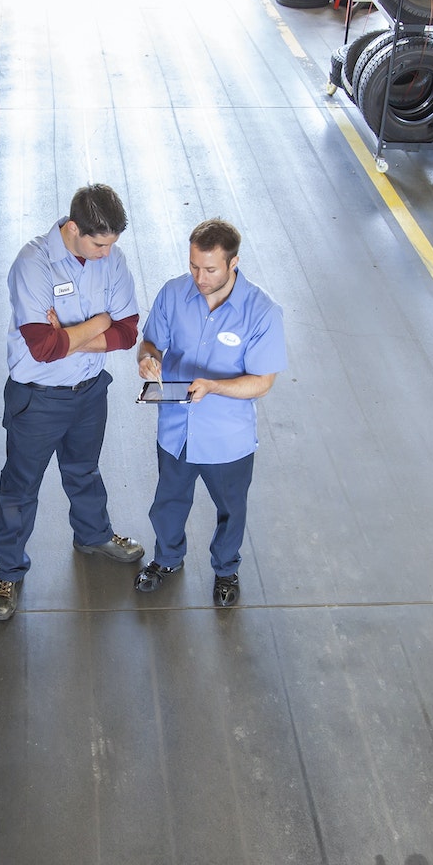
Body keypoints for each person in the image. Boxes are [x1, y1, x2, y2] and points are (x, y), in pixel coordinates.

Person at [0, 184, 146, 622]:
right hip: (37, 399)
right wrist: (99, 323)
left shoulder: (112, 259)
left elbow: (129, 330)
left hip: (89, 392)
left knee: (84, 470)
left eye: (112, 244)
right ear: (73, 228)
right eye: (99, 243)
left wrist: (72, 337)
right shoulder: (32, 264)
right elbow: (42, 346)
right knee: (20, 488)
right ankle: (9, 571)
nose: (106, 253)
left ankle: (93, 536)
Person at [134, 218, 286, 608]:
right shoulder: (173, 293)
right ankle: (167, 560)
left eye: (210, 269)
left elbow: (262, 382)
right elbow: (151, 342)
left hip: (227, 438)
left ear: (233, 263)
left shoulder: (262, 312)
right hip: (176, 430)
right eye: (194, 267)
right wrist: (148, 359)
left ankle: (225, 569)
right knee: (168, 501)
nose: (199, 277)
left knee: (231, 509)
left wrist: (214, 386)